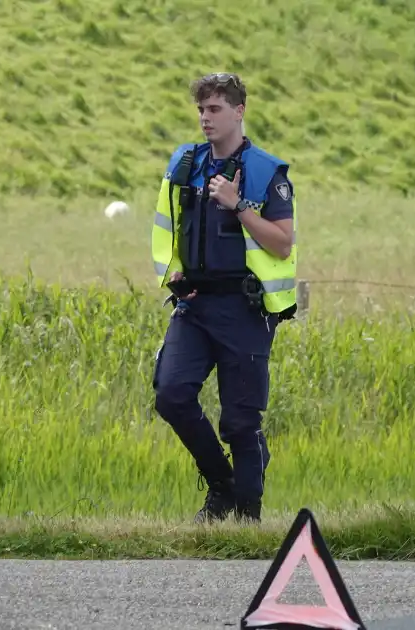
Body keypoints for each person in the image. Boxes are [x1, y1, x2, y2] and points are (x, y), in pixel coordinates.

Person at [149, 72, 299, 524]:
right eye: (200, 110)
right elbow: (167, 228)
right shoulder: (184, 165)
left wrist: (239, 206)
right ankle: (222, 486)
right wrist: (172, 271)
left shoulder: (265, 172)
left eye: (214, 109)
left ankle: (248, 515)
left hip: (245, 309)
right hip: (194, 305)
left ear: (239, 112)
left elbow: (282, 243)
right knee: (171, 396)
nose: (205, 119)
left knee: (240, 422)